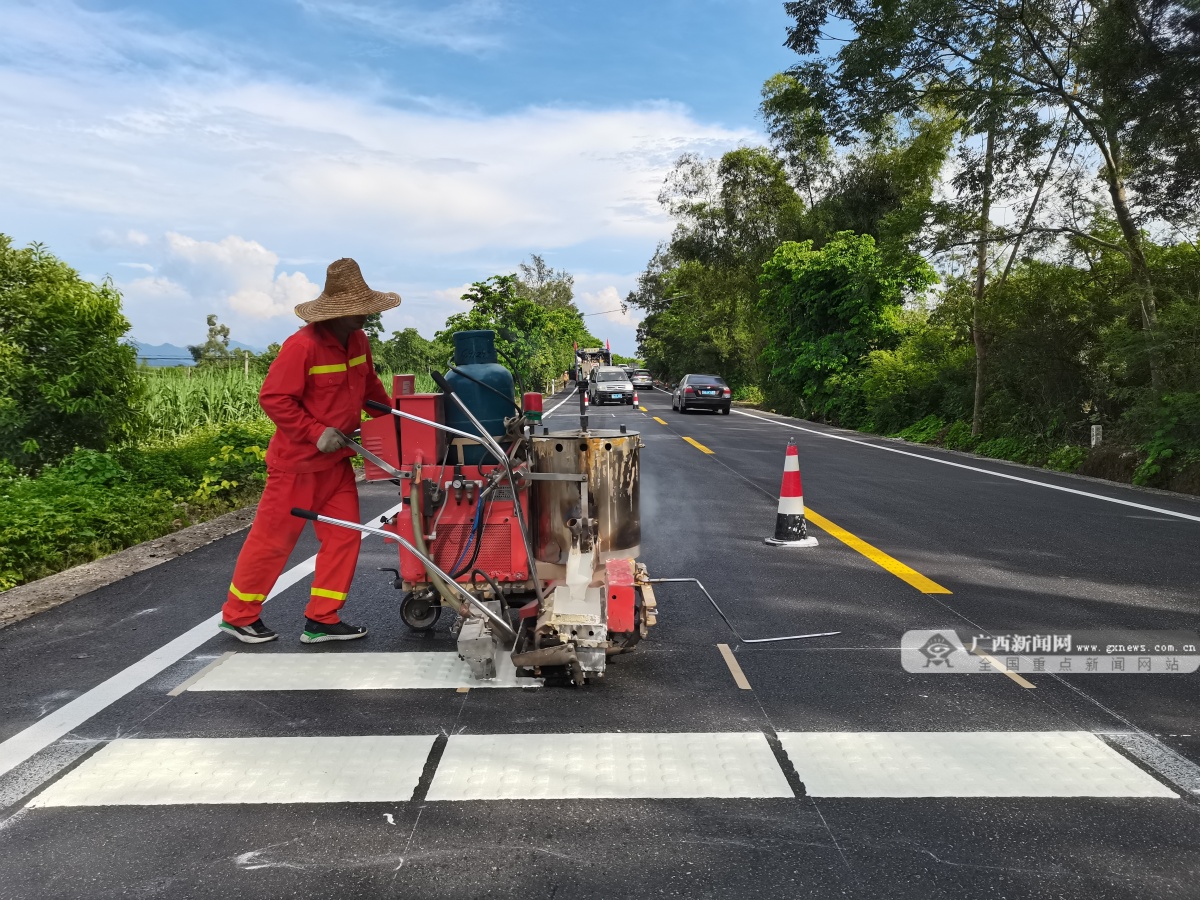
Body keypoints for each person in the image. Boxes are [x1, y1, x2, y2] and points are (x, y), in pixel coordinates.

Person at [218, 258, 399, 644]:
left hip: (336, 465)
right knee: (272, 542)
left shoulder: (359, 342)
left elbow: (371, 391)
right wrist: (315, 432)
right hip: (296, 466)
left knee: (345, 537)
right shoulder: (302, 347)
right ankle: (238, 615)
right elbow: (274, 398)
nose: (364, 317)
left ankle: (322, 618)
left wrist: (400, 421)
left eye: (366, 308)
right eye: (357, 310)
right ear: (336, 311)